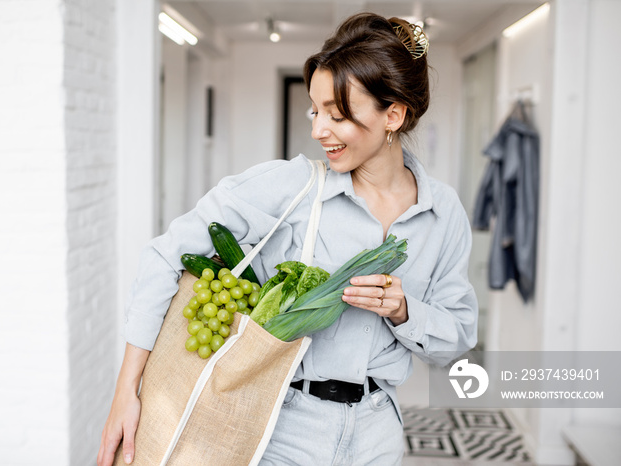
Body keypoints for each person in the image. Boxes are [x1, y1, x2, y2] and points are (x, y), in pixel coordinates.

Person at [97, 12, 477, 466]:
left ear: (393, 114)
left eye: (337, 116)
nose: (319, 130)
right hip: (282, 425)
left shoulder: (443, 212)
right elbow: (164, 256)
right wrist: (127, 392)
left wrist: (404, 310)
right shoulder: (292, 187)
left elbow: (457, 337)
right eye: (315, 111)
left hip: (379, 432)